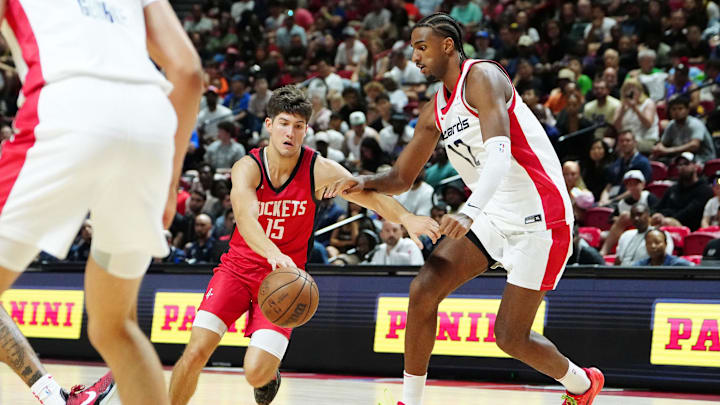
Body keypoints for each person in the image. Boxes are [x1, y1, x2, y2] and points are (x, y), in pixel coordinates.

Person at [325, 13, 603, 405]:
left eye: (422, 47)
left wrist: (469, 211)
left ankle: (582, 382)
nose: (416, 58)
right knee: (423, 290)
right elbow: (403, 176)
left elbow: (501, 155)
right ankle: (411, 400)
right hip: (492, 213)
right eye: (412, 50)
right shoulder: (435, 109)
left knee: (509, 337)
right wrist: (361, 182)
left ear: (448, 46)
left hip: (540, 216)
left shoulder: (483, 77)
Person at [168, 86, 439, 405]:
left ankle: (269, 375)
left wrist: (407, 218)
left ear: (306, 130)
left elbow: (369, 197)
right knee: (196, 351)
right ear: (268, 125)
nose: (290, 132)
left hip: (285, 281)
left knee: (254, 373)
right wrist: (271, 252)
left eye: (298, 126)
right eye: (283, 123)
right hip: (238, 271)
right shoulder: (248, 167)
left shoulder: (319, 170)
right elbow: (245, 218)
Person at [0, 1, 203, 404]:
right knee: (114, 327)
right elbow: (188, 72)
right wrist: (168, 184)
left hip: (65, 110)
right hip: (150, 126)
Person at [652, 152, 714, 230]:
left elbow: (688, 213)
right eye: (679, 165)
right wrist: (657, 215)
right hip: (665, 227)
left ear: (695, 166)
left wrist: (666, 219)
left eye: (686, 164)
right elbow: (658, 207)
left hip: (689, 231)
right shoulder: (672, 189)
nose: (682, 167)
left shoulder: (704, 190)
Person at [653, 96, 716, 165]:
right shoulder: (671, 125)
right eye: (673, 109)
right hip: (681, 158)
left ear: (687, 110)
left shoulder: (695, 123)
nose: (676, 112)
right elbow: (663, 143)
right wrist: (659, 148)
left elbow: (694, 145)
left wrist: (669, 150)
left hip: (702, 158)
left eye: (680, 109)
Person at [600, 130, 651, 206]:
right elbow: (608, 186)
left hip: (630, 201)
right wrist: (603, 200)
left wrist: (612, 201)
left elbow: (636, 189)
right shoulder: (617, 163)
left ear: (635, 142)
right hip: (611, 199)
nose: (624, 143)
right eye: (621, 141)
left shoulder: (642, 162)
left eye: (628, 140)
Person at [612, 77, 658, 154]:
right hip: (626, 140)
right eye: (627, 89)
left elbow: (648, 124)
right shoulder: (621, 106)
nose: (630, 92)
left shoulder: (648, 103)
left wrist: (635, 108)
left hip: (646, 139)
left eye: (633, 89)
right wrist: (622, 112)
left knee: (626, 147)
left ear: (640, 91)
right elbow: (616, 128)